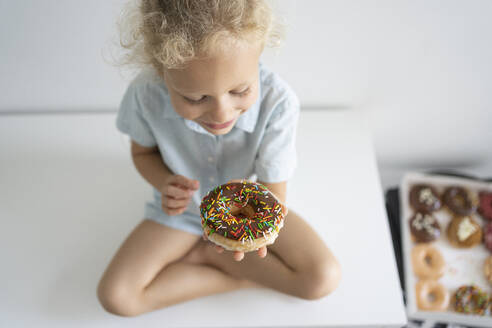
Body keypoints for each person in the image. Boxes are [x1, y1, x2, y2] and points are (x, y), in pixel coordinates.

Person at [97, 0, 341, 317]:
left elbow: (273, 193)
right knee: (117, 297)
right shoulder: (145, 94)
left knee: (322, 278)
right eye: (196, 98)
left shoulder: (277, 103)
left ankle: (211, 259)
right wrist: (164, 182)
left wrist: (253, 230)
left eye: (240, 90)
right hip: (182, 211)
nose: (222, 113)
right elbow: (142, 153)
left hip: (249, 210)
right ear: (161, 70)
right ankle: (233, 271)